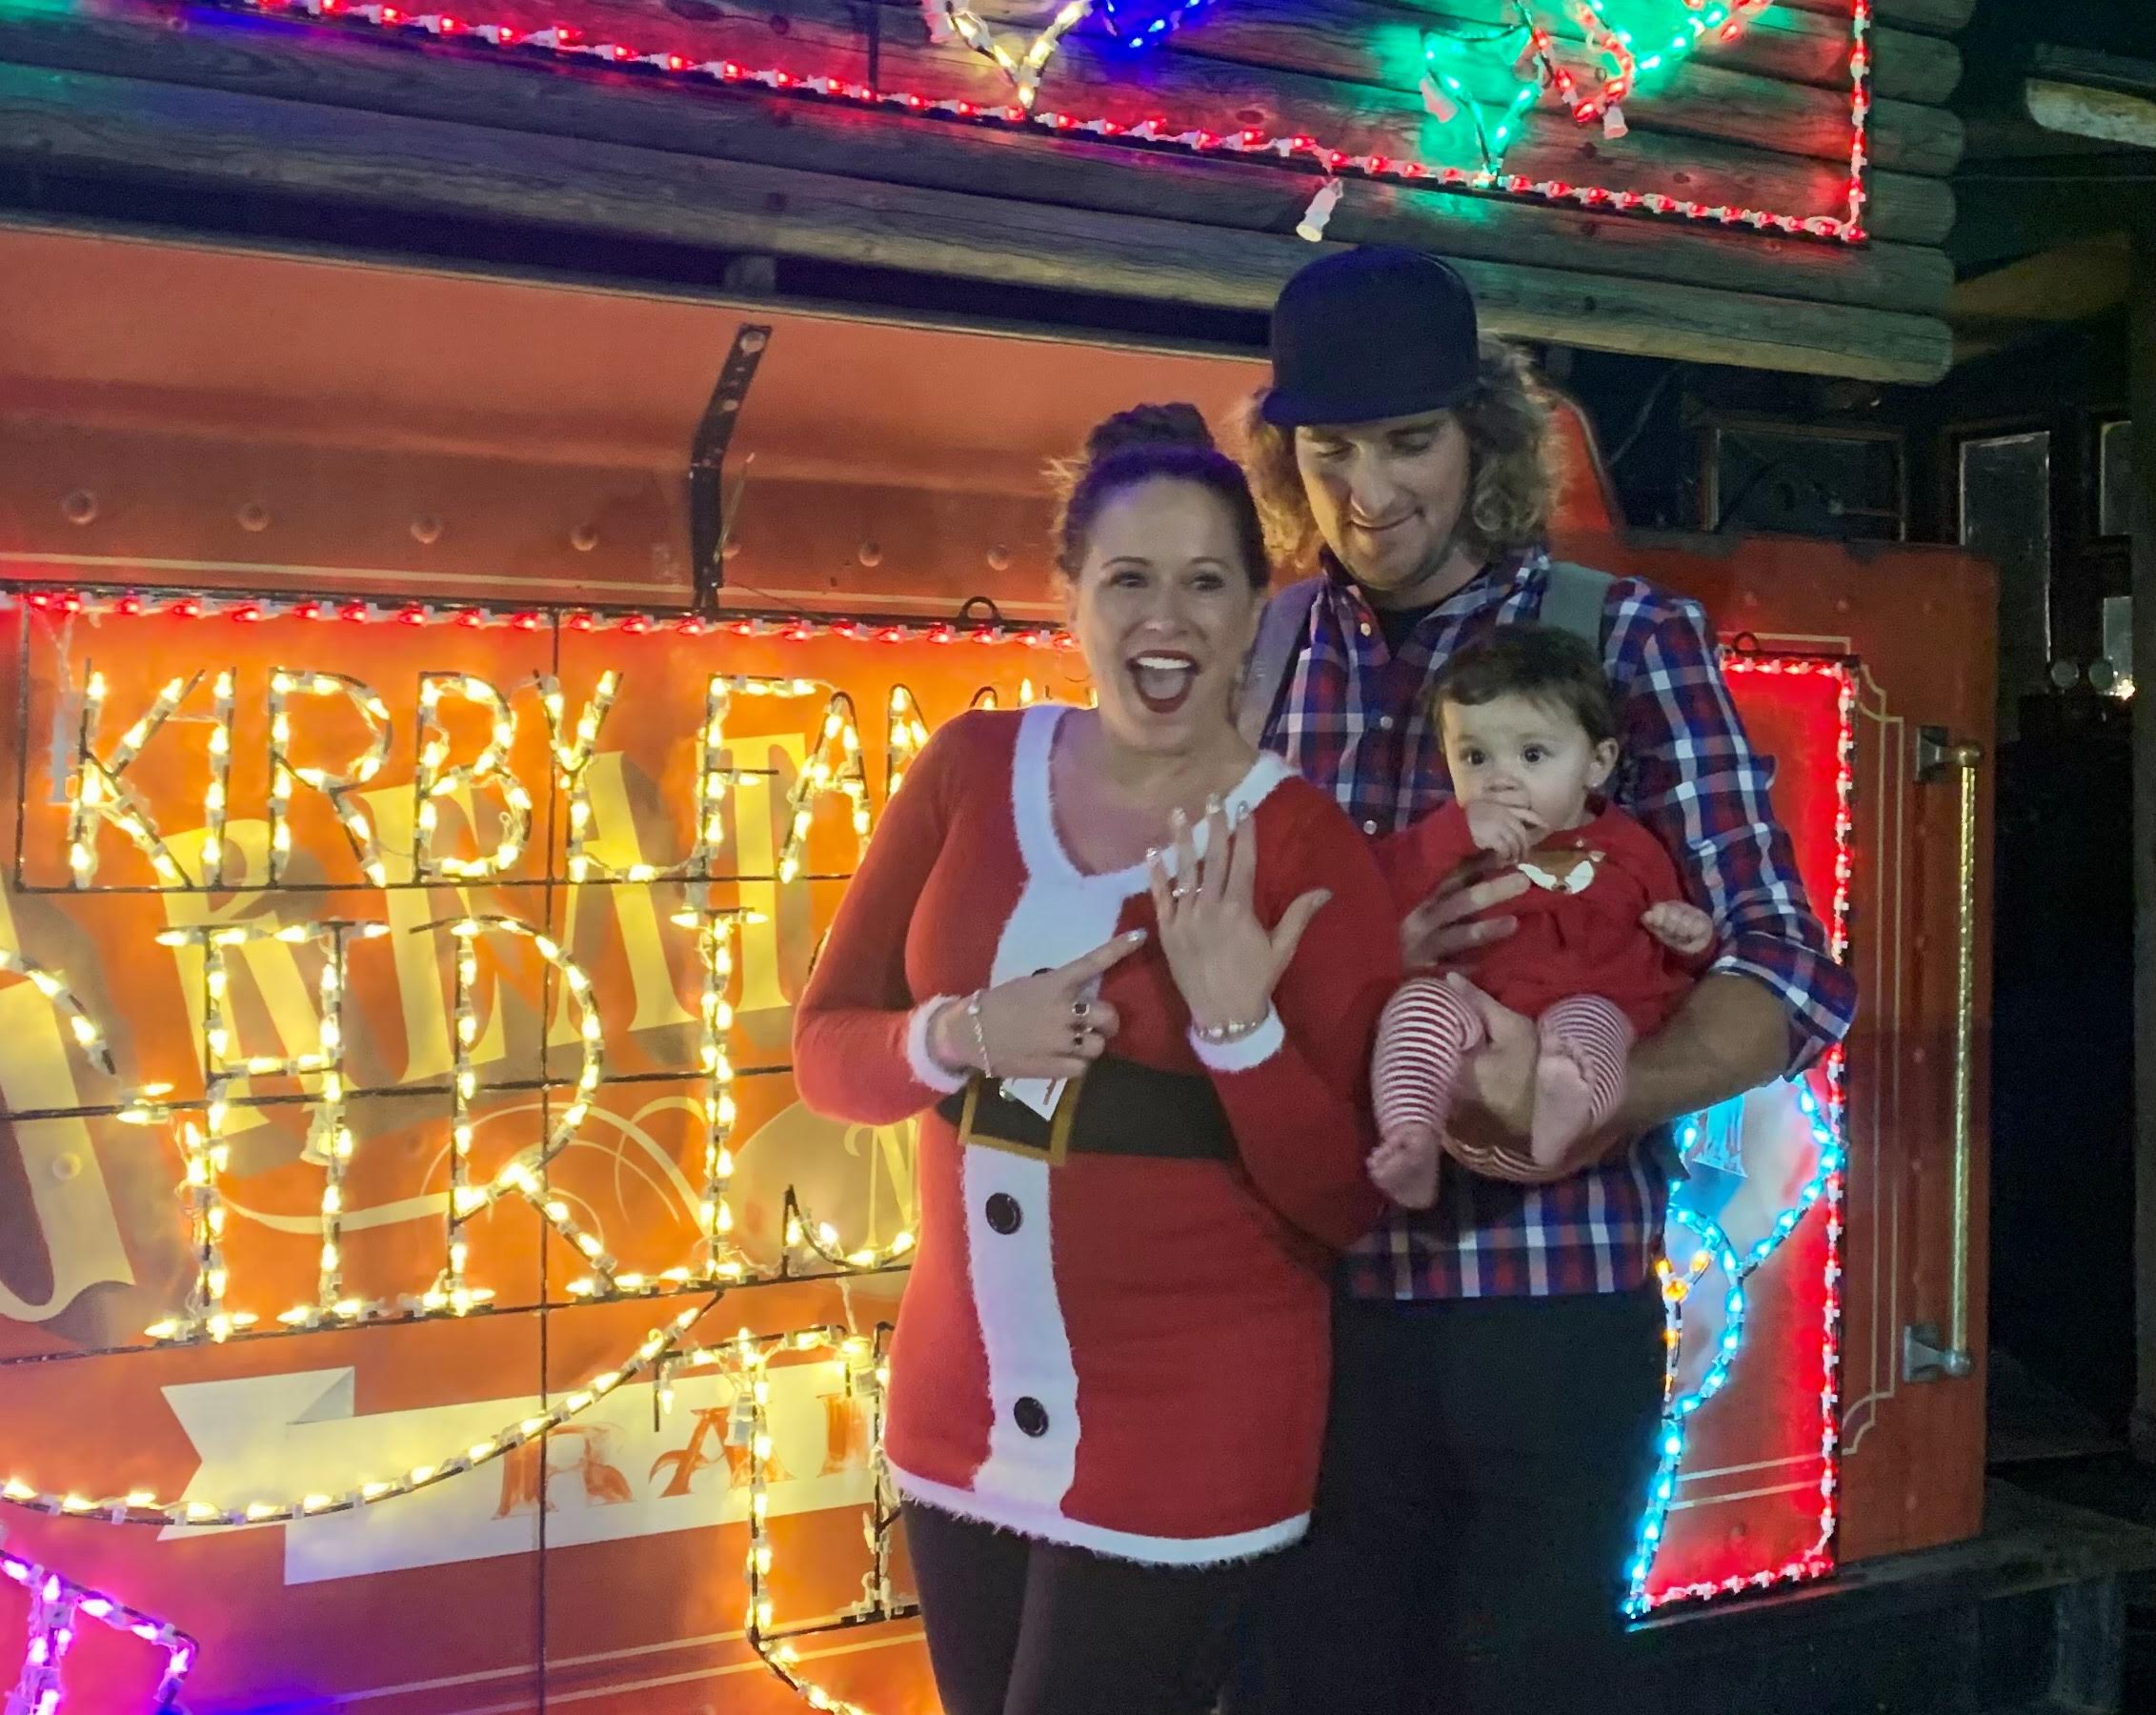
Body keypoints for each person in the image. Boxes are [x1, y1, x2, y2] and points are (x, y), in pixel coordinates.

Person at [1225, 248, 1858, 1711]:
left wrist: (1586, 1096)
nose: (1366, 493)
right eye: (1328, 452)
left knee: (1526, 1681)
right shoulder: (1257, 656)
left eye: (1408, 442)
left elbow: (1787, 963)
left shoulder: (1621, 638)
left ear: (1484, 436)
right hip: (1303, 1305)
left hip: (1550, 1307)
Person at [791, 403, 1400, 1715]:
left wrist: (1235, 1025)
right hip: (955, 1413)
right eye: (1126, 580)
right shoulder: (965, 771)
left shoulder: (1300, 849)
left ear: (1253, 614)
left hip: (1190, 1431)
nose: (1161, 618)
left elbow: (1350, 1198)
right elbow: (824, 1057)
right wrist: (960, 1035)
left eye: (1202, 584)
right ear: (1069, 597)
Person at [1366, 624, 1719, 1208]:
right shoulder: (1449, 842)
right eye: (1474, 756)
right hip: (1468, 1051)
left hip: (1576, 1095)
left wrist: (1691, 936)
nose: (1500, 779)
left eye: (1533, 755)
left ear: (1597, 762)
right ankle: (1411, 1136)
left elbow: (1673, 952)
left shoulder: (1629, 848)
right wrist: (1450, 835)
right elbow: (1374, 895)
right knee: (1418, 1007)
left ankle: (1565, 1104)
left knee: (1594, 1022)